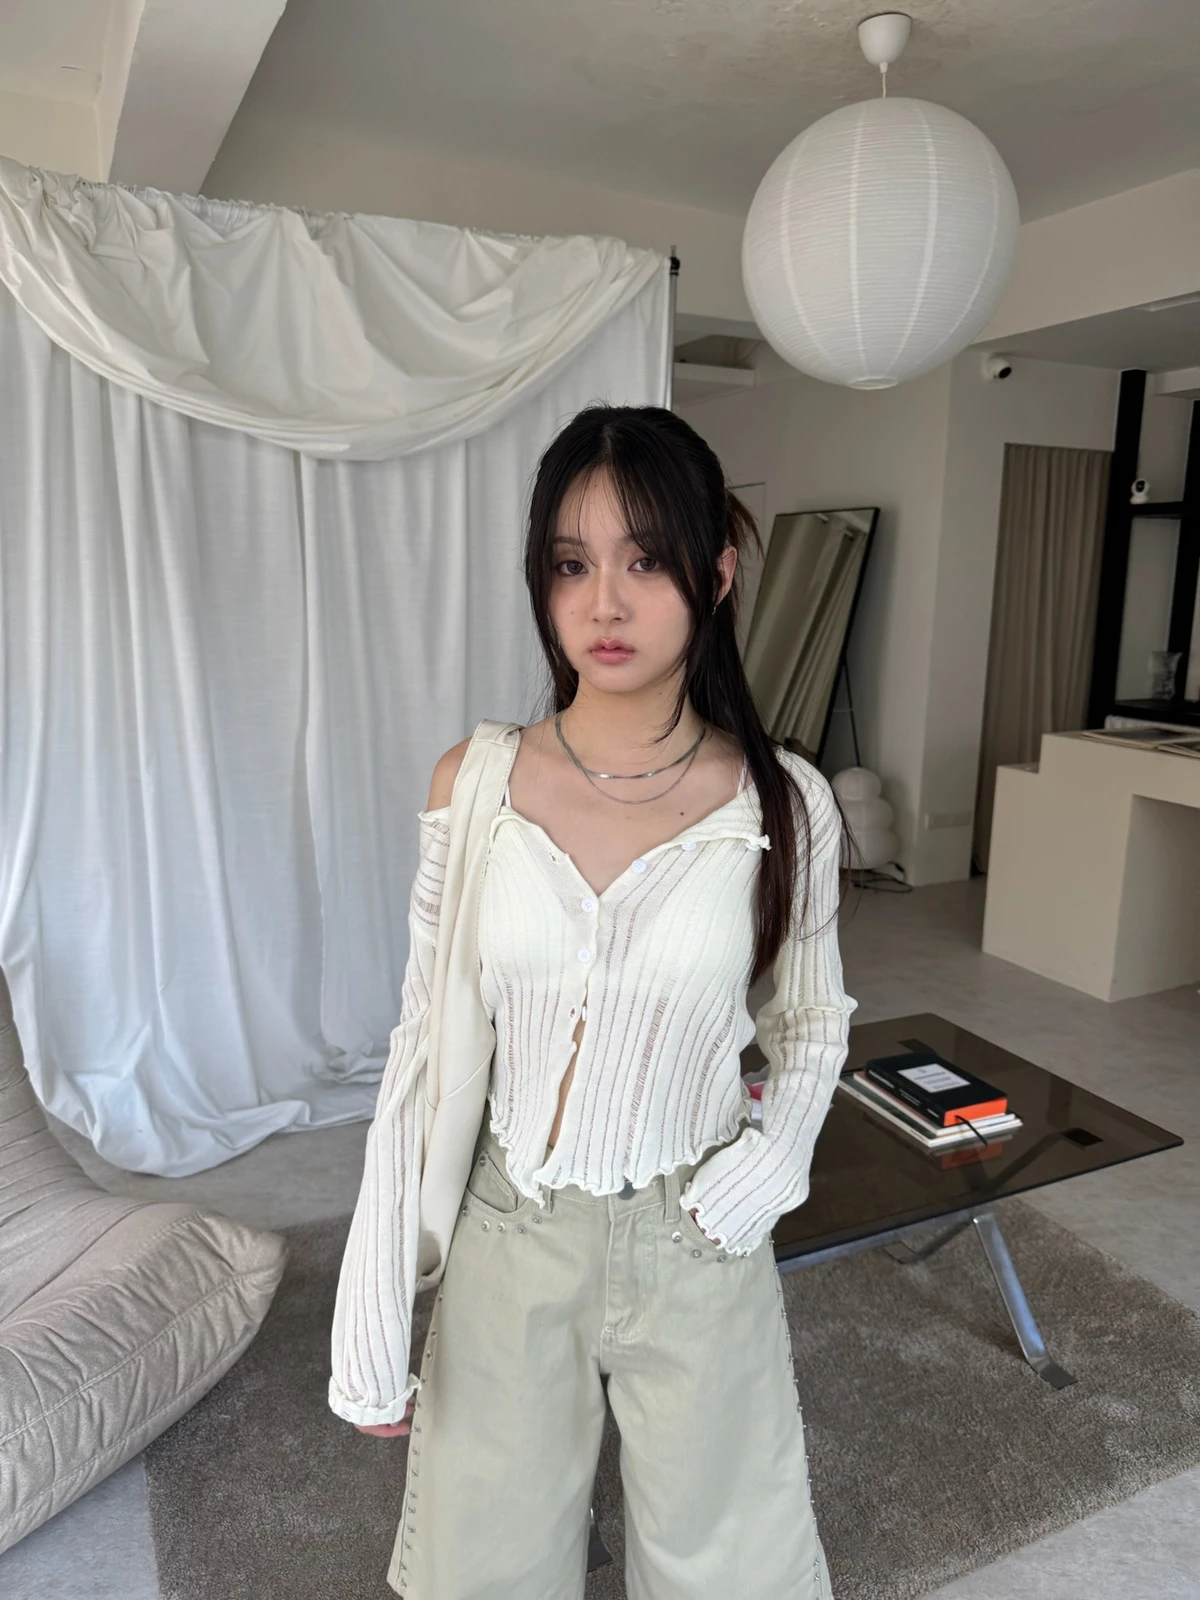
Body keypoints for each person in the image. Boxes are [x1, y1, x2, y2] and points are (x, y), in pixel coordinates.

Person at [328, 403, 857, 1599]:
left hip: (696, 1232)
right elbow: (424, 1047)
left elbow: (812, 1019)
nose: (604, 603)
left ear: (715, 576)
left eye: (646, 560)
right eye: (572, 564)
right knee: (482, 1568)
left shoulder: (783, 803)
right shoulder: (475, 784)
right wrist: (371, 1308)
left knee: (734, 1569)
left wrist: (774, 1162)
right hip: (511, 1230)